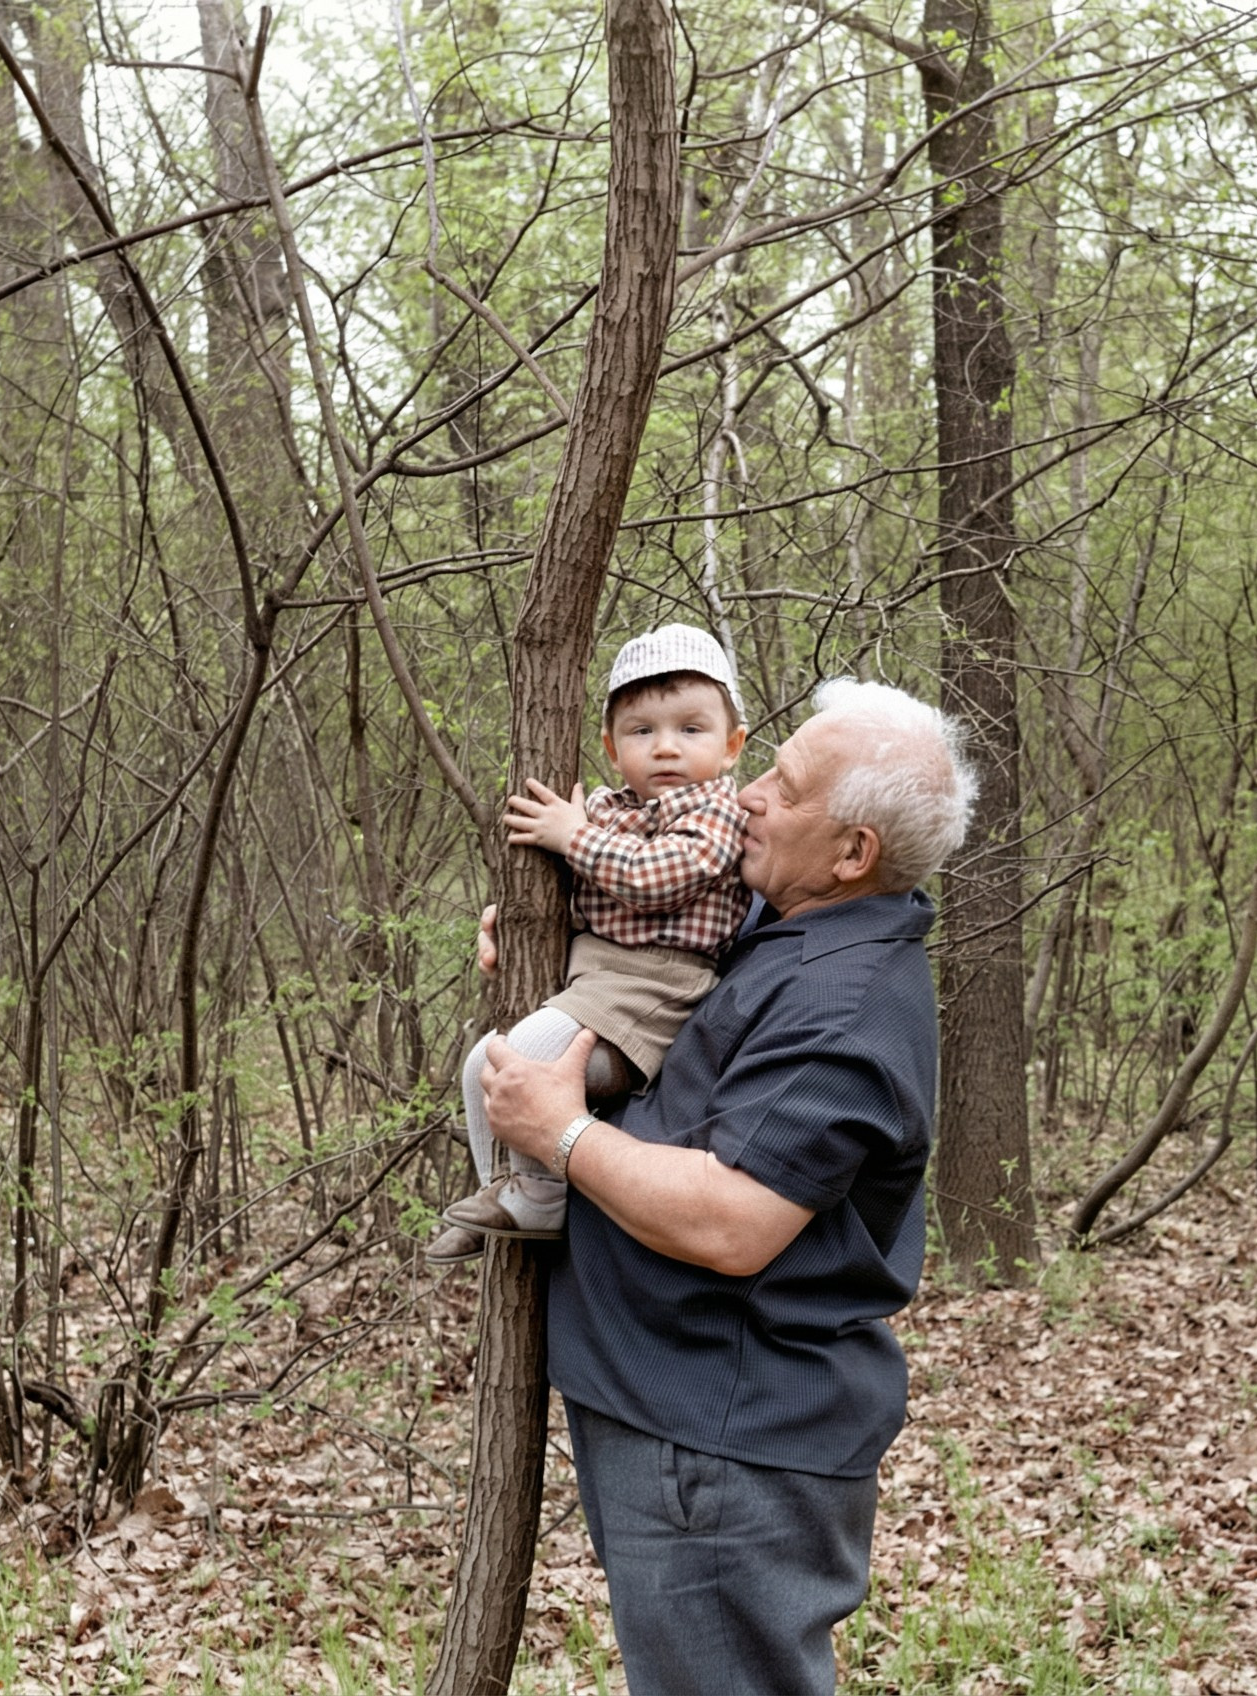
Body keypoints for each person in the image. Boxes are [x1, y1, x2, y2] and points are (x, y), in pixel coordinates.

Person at [475, 677, 977, 1696]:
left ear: (853, 854)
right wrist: (545, 945)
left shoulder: (841, 1006)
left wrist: (557, 1132)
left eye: (784, 790)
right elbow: (654, 995)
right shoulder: (789, 923)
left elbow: (731, 1220)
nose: (747, 794)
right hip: (683, 1424)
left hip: (724, 1449)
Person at [428, 624, 754, 1265]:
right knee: (482, 1066)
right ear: (611, 747)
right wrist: (512, 924)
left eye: (691, 730)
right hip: (591, 982)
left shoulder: (719, 812)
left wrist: (571, 837)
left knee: (516, 1059)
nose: (665, 748)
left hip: (657, 989)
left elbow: (651, 879)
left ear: (732, 744)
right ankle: (510, 1188)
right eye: (642, 731)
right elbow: (569, 893)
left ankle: (540, 1197)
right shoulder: (607, 810)